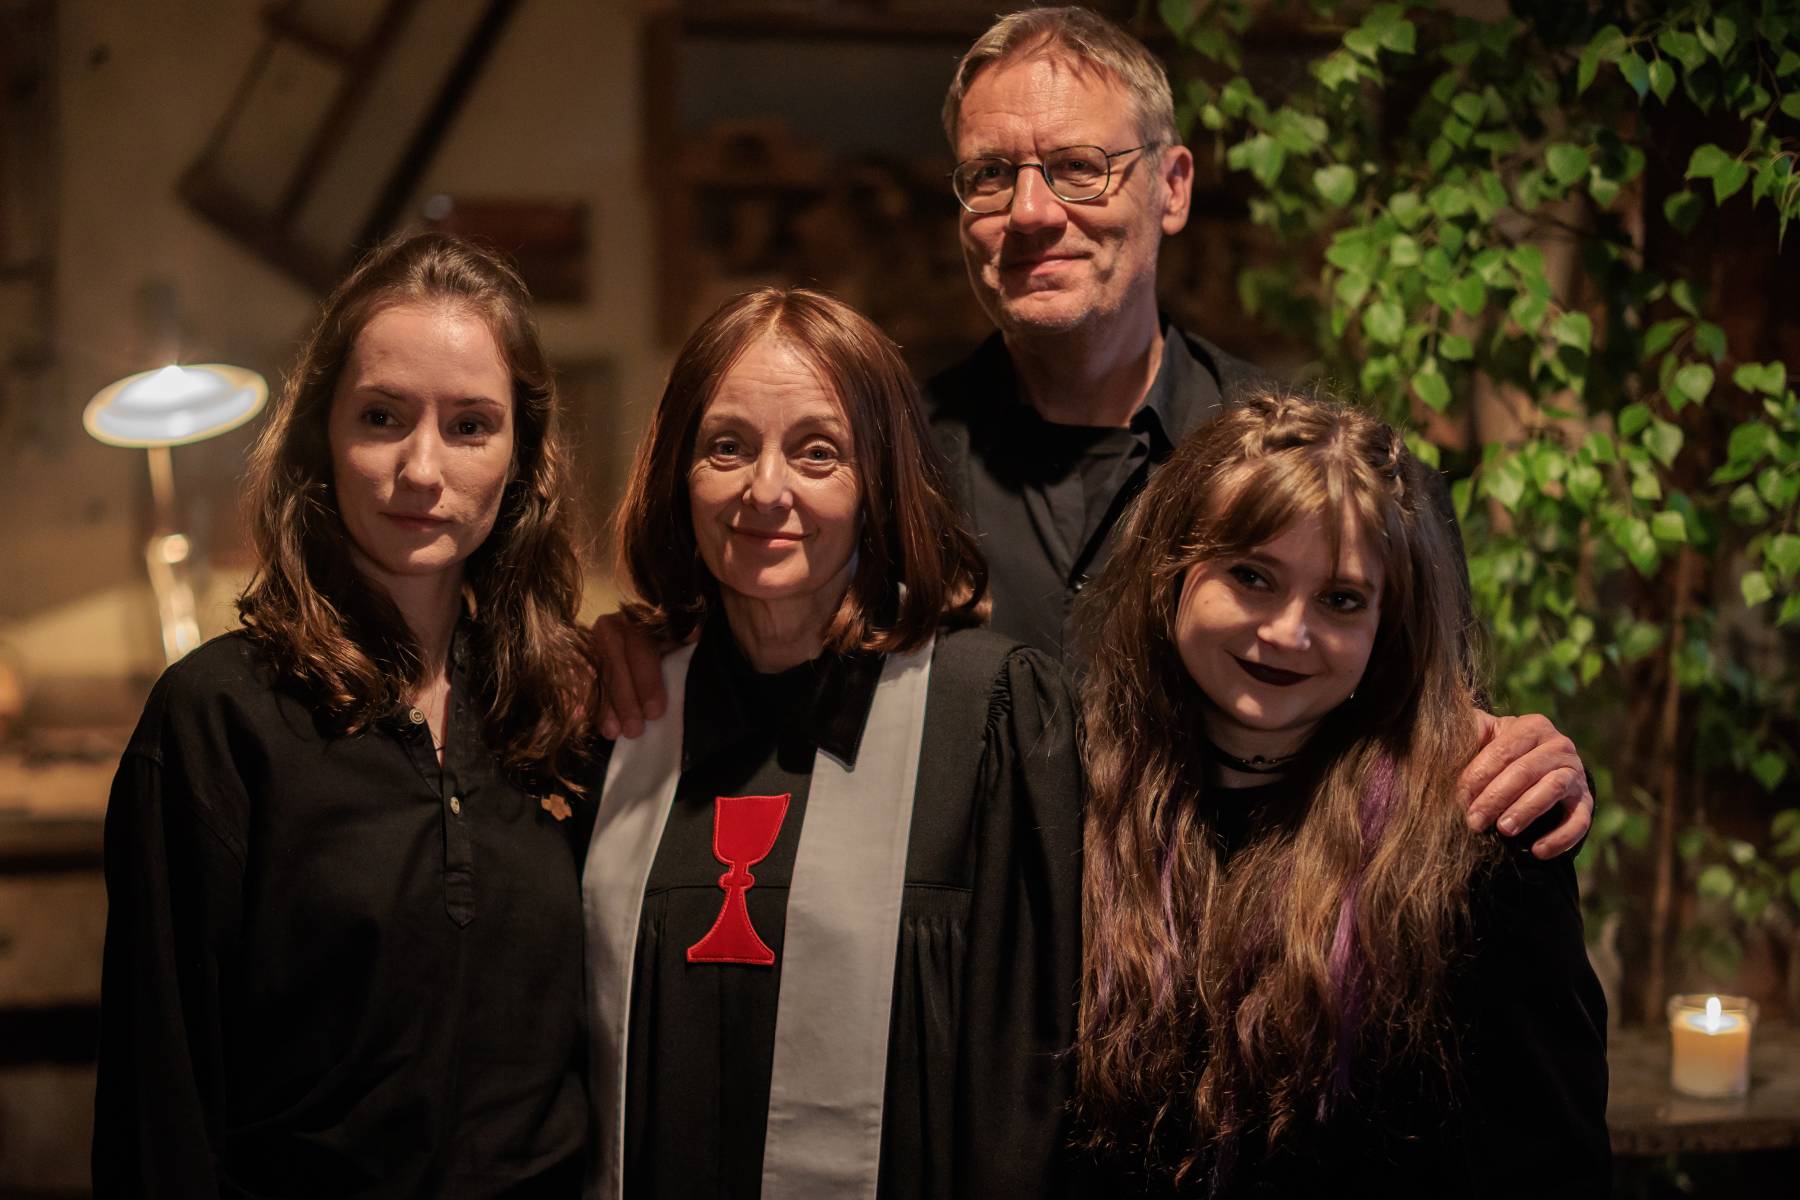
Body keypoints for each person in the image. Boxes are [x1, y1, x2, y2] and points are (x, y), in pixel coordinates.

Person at [594, 4, 1594, 859]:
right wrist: (638, 651)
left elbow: (1441, 754)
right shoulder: (887, 470)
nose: (1031, 212)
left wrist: (1530, 768)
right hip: (954, 1001)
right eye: (992, 175)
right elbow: (760, 659)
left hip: (1241, 995)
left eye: (1080, 167)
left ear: (1173, 186)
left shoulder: (1337, 483)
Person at [94, 233, 596, 1197]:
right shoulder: (218, 719)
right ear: (320, 437)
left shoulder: (560, 705)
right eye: (381, 416)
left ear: (522, 456)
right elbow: (160, 1106)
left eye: (471, 425)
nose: (421, 468)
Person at [579, 286, 1082, 1199]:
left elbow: (1027, 1086)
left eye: (818, 451)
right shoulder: (621, 716)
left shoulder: (987, 718)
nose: (765, 490)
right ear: (678, 474)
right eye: (726, 446)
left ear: (879, 481)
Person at [1075, 390, 1610, 1196]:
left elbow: (1554, 1166)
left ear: (1386, 625)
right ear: (1172, 573)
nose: (1287, 632)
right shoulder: (1078, 793)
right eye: (1252, 576)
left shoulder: (1479, 828)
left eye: (1340, 600)